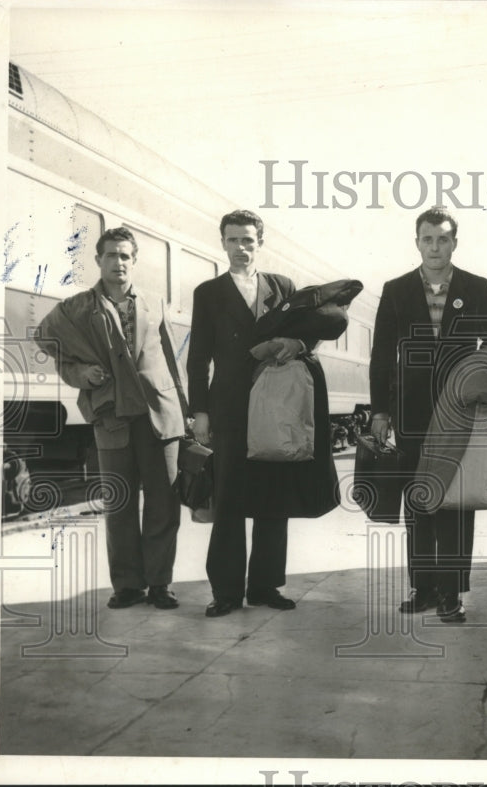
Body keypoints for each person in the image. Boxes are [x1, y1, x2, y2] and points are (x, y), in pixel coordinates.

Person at [369, 207, 487, 623]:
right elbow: (380, 355)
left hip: (459, 414)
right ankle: (423, 586)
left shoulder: (477, 287)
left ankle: (451, 592)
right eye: (427, 239)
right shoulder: (395, 290)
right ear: (417, 243)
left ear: (454, 243)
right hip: (410, 413)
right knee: (419, 502)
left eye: (443, 239)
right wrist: (379, 410)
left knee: (455, 502)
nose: (435, 246)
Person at [37, 227, 184, 610]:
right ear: (98, 260)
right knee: (118, 504)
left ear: (134, 261)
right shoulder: (77, 308)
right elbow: (53, 348)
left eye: (125, 256)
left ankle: (160, 584)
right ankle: (128, 586)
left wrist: (186, 411)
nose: (118, 263)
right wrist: (80, 375)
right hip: (112, 416)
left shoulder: (155, 302)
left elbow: (171, 359)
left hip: (159, 415)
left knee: (163, 503)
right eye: (111, 256)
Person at [187, 209, 307, 617]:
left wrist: (298, 342)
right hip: (230, 407)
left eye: (248, 240)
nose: (241, 248)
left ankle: (265, 587)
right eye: (234, 239)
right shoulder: (208, 292)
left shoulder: (283, 287)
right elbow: (198, 356)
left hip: (275, 404)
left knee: (274, 497)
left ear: (261, 243)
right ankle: (226, 592)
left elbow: (309, 333)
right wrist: (199, 411)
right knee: (230, 498)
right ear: (222, 242)